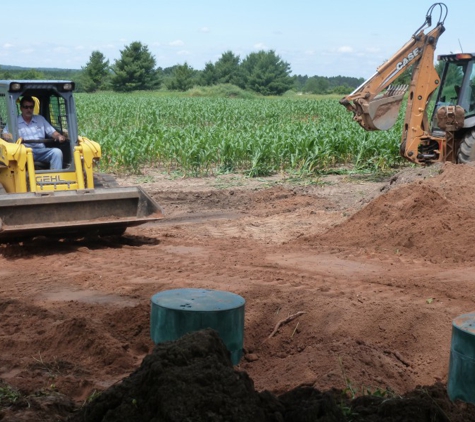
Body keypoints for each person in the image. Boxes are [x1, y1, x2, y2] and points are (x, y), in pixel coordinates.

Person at [2, 96, 65, 170]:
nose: (29, 109)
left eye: (31, 107)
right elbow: (5, 134)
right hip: (23, 151)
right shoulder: (14, 121)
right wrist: (13, 138)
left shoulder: (40, 119)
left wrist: (59, 136)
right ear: (21, 108)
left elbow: (53, 132)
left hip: (40, 151)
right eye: (26, 107)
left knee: (57, 152)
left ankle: (56, 178)